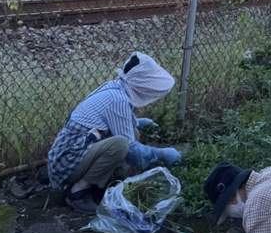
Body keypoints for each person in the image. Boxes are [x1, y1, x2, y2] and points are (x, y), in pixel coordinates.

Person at [47, 51, 181, 213]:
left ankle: (100, 184)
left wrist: (137, 123)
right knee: (120, 144)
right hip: (66, 164)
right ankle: (79, 192)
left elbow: (112, 122)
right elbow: (134, 152)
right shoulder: (118, 100)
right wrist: (162, 154)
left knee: (131, 133)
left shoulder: (116, 87)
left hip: (68, 155)